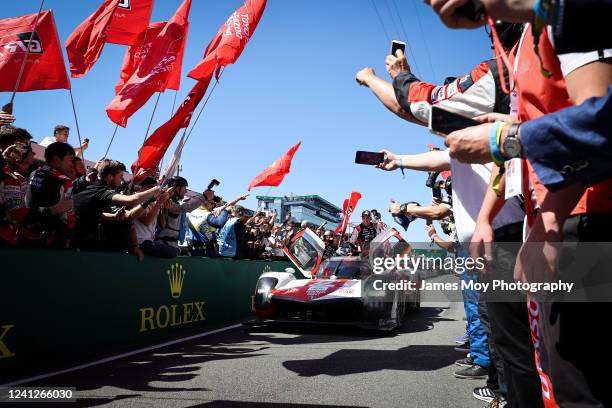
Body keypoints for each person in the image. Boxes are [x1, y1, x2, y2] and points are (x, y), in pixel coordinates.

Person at [73, 160, 160, 251]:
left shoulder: (94, 185)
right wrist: (156, 189)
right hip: (80, 244)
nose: (122, 179)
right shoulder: (101, 190)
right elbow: (132, 200)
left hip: (85, 242)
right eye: (121, 176)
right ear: (110, 176)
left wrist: (113, 216)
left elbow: (94, 213)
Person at [24, 142, 76, 248]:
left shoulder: (33, 173)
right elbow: (68, 215)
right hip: (52, 237)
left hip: (27, 232)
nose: (71, 164)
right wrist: (68, 236)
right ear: (56, 159)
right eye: (70, 160)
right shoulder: (64, 180)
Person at [155, 176, 207, 255]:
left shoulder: (174, 202)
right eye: (184, 188)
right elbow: (184, 208)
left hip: (172, 245)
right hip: (164, 245)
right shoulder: (168, 202)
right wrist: (204, 197)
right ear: (176, 188)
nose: (186, 191)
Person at [0, 142, 34, 246]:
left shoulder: (14, 175)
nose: (30, 165)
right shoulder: (11, 176)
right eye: (27, 163)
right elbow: (16, 211)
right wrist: (47, 213)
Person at [133, 177, 174, 258]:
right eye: (154, 188)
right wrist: (159, 203)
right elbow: (146, 221)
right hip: (140, 243)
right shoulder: (136, 202)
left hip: (149, 242)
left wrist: (163, 207)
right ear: (144, 188)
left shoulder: (153, 202)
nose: (157, 191)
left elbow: (163, 224)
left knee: (173, 251)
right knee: (172, 252)